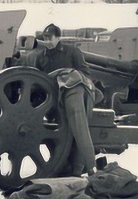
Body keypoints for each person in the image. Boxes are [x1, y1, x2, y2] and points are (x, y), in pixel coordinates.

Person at [30, 23, 98, 177]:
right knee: (59, 134)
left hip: (76, 92)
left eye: (50, 37)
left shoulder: (72, 52)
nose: (47, 41)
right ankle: (63, 167)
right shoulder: (41, 57)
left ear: (58, 38)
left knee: (79, 130)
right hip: (55, 99)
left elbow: (85, 74)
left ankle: (85, 169)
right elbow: (38, 79)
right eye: (45, 38)